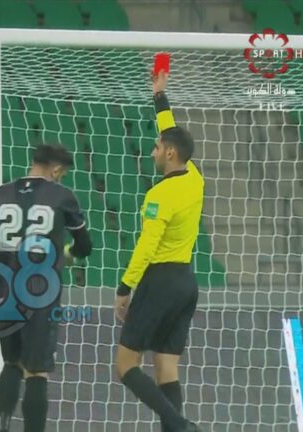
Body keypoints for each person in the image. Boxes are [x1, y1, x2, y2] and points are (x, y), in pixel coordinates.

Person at [0, 144, 93, 432]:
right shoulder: (61, 196)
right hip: (41, 292)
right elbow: (85, 245)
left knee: (11, 364)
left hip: (4, 290)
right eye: (62, 174)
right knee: (36, 371)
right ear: (56, 170)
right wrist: (69, 253)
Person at [114, 71, 204, 432]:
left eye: (155, 147)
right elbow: (171, 130)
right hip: (186, 283)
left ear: (169, 152)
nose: (152, 152)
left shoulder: (159, 195)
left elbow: (147, 245)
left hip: (160, 281)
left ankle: (180, 425)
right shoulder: (195, 178)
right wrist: (159, 97)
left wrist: (125, 287)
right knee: (167, 367)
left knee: (125, 365)